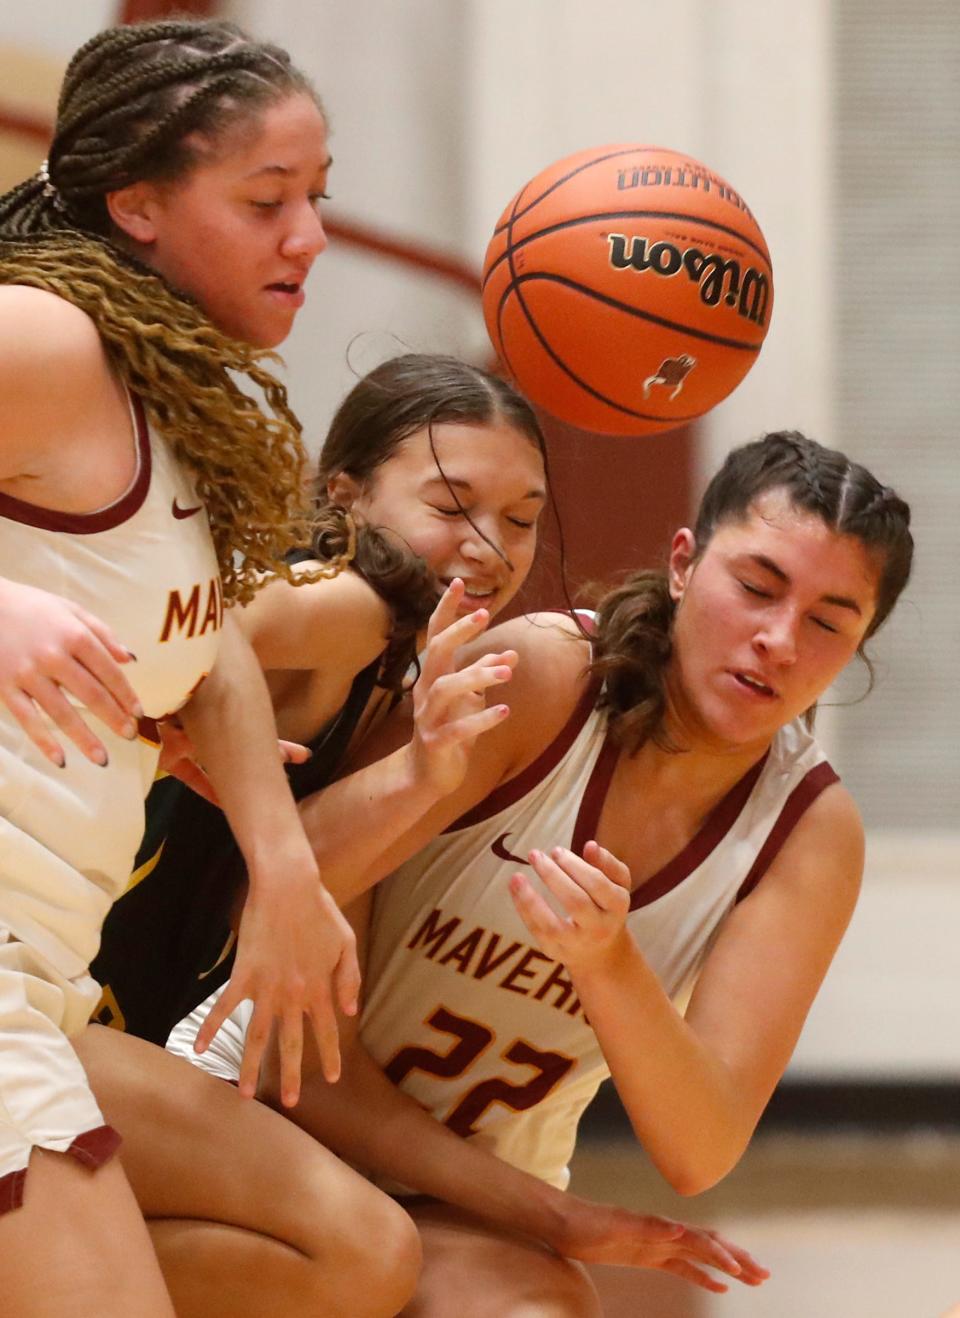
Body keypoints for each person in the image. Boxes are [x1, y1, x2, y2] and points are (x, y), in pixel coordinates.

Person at [175, 427, 912, 1312]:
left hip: (460, 1196)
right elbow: (270, 902)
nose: (779, 640)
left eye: (830, 622)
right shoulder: (541, 677)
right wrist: (419, 780)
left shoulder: (810, 831)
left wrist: (611, 966)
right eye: (756, 587)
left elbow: (699, 1149)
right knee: (358, 1263)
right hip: (271, 1101)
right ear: (683, 564)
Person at [0, 16, 368, 1316]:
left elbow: (212, 655)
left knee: (353, 1251)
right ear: (137, 204)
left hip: (43, 974)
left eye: (316, 197)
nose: (310, 236)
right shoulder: (39, 341)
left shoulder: (168, 399)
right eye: (267, 199)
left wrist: (282, 868)